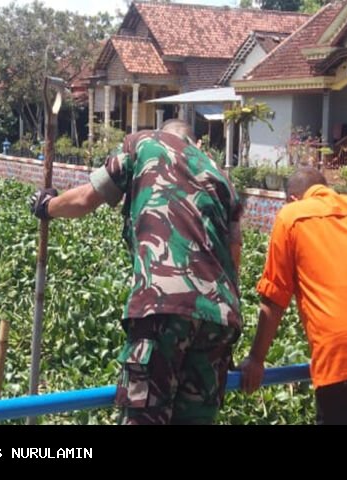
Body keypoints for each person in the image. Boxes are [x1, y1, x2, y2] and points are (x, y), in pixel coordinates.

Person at [29, 119, 243, 424]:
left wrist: (47, 206)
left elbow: (85, 199)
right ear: (196, 143)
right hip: (220, 316)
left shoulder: (143, 143)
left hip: (162, 304)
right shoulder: (222, 177)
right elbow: (234, 256)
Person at [239, 168, 347, 424]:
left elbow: (274, 297)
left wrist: (256, 360)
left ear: (292, 199)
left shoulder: (292, 215)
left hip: (344, 357)